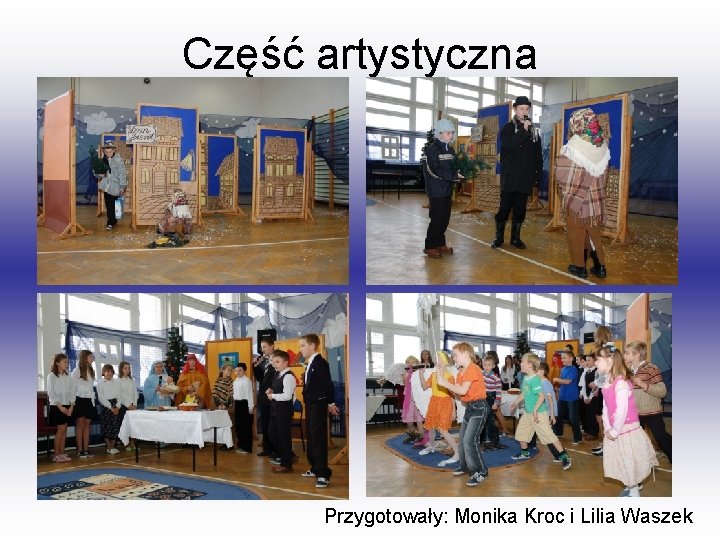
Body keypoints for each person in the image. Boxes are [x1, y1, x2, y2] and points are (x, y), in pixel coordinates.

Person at [555, 107, 611, 278]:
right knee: (593, 232)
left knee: (576, 232)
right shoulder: (602, 145)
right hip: (595, 200)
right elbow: (604, 175)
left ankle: (579, 267)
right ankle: (600, 267)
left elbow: (562, 175)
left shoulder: (573, 146)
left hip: (577, 200)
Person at [597, 347, 658, 496]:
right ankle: (631, 487)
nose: (596, 362)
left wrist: (615, 430)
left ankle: (634, 493)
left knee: (629, 461)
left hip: (626, 429)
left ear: (609, 361)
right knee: (622, 461)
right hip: (614, 429)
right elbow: (605, 408)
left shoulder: (621, 384)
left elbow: (622, 411)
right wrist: (607, 427)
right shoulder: (607, 383)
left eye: (598, 359)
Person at [491, 96, 542, 250]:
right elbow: (509, 146)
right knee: (504, 209)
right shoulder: (507, 128)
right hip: (510, 177)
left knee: (520, 210)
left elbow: (537, 156)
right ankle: (499, 238)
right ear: (515, 109)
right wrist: (524, 130)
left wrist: (537, 176)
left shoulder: (534, 132)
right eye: (521, 108)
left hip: (525, 178)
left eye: (527, 109)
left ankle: (515, 238)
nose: (524, 111)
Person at [436, 342, 489, 487]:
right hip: (470, 408)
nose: (453, 358)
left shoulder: (473, 368)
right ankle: (465, 466)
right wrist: (443, 379)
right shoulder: (460, 373)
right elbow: (458, 393)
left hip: (479, 407)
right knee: (463, 440)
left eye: (455, 355)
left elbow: (463, 390)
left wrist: (445, 384)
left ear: (466, 354)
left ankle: (481, 471)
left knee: (470, 441)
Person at [509, 354, 572, 470]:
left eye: (523, 362)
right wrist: (516, 402)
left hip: (539, 414)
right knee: (521, 433)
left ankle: (565, 457)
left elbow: (542, 397)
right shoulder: (526, 378)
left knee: (549, 436)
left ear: (530, 365)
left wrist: (535, 410)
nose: (520, 364)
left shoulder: (535, 380)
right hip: (528, 413)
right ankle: (524, 453)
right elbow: (524, 393)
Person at [300, 334, 340, 488]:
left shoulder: (320, 363)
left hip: (318, 404)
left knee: (318, 439)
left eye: (303, 345)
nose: (301, 349)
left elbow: (327, 384)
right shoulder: (310, 362)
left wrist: (331, 402)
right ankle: (315, 467)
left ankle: (323, 474)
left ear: (312, 346)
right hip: (310, 405)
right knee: (311, 436)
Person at [625, 340, 672, 463]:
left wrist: (643, 384)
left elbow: (662, 391)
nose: (625, 355)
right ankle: (641, 464)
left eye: (627, 353)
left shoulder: (652, 369)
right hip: (635, 413)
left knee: (661, 438)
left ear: (637, 354)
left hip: (652, 412)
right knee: (635, 440)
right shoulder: (628, 370)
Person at [423, 118, 463, 258]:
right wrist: (453, 175)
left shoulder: (450, 150)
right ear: (440, 133)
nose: (451, 135)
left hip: (446, 189)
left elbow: (454, 167)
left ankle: (440, 243)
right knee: (437, 218)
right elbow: (433, 170)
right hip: (436, 190)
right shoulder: (432, 150)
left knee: (445, 218)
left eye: (452, 133)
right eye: (448, 133)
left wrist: (461, 172)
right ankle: (430, 246)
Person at [417, 351, 460, 467]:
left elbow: (452, 394)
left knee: (443, 430)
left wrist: (454, 410)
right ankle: (431, 446)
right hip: (434, 402)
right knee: (431, 427)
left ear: (445, 361)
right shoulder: (433, 374)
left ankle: (457, 453)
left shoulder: (449, 377)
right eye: (437, 358)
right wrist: (421, 374)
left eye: (439, 358)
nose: (437, 360)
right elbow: (424, 387)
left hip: (445, 403)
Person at [266, 350, 296, 473]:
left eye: (277, 362)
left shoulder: (288, 376)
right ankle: (288, 455)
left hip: (283, 411)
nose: (274, 364)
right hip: (276, 410)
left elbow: (288, 396)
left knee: (283, 437)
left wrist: (273, 396)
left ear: (286, 362)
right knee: (272, 433)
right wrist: (271, 391)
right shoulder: (278, 374)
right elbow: (280, 390)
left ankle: (286, 464)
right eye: (273, 362)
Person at [46, 353, 74, 463]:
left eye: (67, 362)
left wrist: (71, 406)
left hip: (67, 405)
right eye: (65, 362)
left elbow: (72, 392)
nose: (67, 364)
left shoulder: (68, 377)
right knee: (60, 430)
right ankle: (56, 454)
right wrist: (60, 407)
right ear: (57, 363)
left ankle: (62, 453)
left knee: (64, 430)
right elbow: (51, 393)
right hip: (57, 406)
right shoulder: (51, 376)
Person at [253, 338, 277, 457]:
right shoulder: (263, 361)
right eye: (261, 347)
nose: (262, 350)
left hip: (273, 397)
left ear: (272, 346)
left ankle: (274, 449)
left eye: (264, 347)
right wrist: (255, 366)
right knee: (265, 424)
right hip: (263, 397)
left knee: (272, 426)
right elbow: (260, 379)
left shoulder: (277, 360)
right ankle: (267, 448)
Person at [552, 349, 582, 444]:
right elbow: (563, 382)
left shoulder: (573, 369)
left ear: (571, 359)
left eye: (564, 358)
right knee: (559, 415)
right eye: (562, 358)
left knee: (573, 418)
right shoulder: (563, 369)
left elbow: (568, 381)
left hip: (572, 397)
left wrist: (556, 379)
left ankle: (578, 438)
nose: (562, 360)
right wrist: (558, 389)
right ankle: (559, 432)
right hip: (562, 396)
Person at [72, 350, 97, 458]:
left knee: (87, 425)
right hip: (79, 400)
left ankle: (86, 449)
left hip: (89, 400)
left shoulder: (91, 370)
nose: (92, 358)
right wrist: (73, 402)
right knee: (80, 425)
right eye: (91, 356)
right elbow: (73, 388)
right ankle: (80, 450)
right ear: (85, 357)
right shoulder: (77, 370)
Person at [97, 141, 127, 231]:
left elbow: (122, 174)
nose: (108, 154)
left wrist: (122, 186)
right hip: (106, 186)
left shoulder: (118, 160)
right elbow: (97, 173)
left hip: (116, 186)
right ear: (104, 152)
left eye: (110, 152)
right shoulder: (102, 161)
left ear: (114, 151)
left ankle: (113, 220)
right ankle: (110, 221)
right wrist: (99, 175)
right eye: (106, 152)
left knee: (115, 204)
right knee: (108, 204)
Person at [97, 364, 122, 455]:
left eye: (111, 371)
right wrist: (110, 407)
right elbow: (101, 397)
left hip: (115, 405)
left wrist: (117, 406)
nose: (109, 373)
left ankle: (112, 446)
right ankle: (109, 447)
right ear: (104, 372)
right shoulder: (100, 383)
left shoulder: (116, 382)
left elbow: (120, 395)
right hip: (106, 406)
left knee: (115, 426)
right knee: (106, 427)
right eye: (107, 371)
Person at [401, 356, 425, 444]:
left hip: (418, 399)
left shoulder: (419, 373)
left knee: (419, 419)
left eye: (413, 362)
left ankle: (421, 436)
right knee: (409, 420)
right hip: (408, 400)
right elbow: (406, 384)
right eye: (408, 362)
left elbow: (422, 384)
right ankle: (412, 435)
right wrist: (406, 376)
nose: (410, 364)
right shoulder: (405, 374)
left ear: (417, 364)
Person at [479, 356, 502, 450]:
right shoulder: (481, 374)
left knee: (490, 420)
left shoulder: (495, 377)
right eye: (485, 364)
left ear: (493, 366)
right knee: (482, 419)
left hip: (491, 398)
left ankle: (494, 440)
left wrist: (496, 403)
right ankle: (482, 440)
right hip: (482, 397)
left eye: (489, 365)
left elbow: (499, 392)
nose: (487, 367)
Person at [233, 363, 255, 454]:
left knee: (246, 426)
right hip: (237, 404)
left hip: (245, 404)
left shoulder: (247, 381)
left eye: (240, 370)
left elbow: (249, 394)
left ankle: (247, 447)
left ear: (244, 371)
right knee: (239, 426)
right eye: (236, 370)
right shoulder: (235, 381)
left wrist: (251, 407)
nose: (237, 372)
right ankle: (241, 446)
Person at [117, 360, 138, 451]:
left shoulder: (132, 380)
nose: (127, 370)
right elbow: (121, 394)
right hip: (124, 406)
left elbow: (135, 393)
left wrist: (135, 404)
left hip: (133, 406)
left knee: (133, 425)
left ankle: (133, 442)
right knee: (125, 425)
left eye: (128, 368)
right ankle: (126, 444)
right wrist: (128, 405)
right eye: (125, 368)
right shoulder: (118, 380)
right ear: (121, 369)